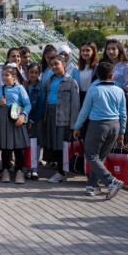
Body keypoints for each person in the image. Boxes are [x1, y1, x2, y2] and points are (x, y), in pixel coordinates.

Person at [73, 61, 127, 199]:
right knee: (100, 157)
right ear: (112, 75)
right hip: (114, 126)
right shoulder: (119, 90)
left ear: (97, 75)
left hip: (98, 125)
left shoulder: (94, 89)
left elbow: (85, 111)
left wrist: (77, 126)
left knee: (91, 155)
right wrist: (122, 131)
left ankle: (111, 181)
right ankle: (92, 185)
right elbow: (123, 113)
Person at [44, 55, 80, 184]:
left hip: (63, 118)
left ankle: (61, 172)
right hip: (50, 116)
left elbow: (75, 105)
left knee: (61, 146)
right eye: (51, 64)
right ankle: (60, 170)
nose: (54, 67)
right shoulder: (49, 80)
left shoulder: (71, 82)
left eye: (56, 64)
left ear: (64, 64)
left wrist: (75, 125)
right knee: (54, 145)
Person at [0, 66, 31, 184]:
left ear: (14, 77)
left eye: (7, 75)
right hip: (3, 120)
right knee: (5, 147)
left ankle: (19, 171)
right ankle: (5, 169)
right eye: (3, 75)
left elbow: (27, 104)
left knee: (17, 146)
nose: (4, 77)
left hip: (16, 119)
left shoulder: (20, 88)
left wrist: (23, 115)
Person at [25, 63, 45, 180]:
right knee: (27, 144)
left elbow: (41, 105)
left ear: (39, 74)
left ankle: (34, 168)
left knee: (36, 144)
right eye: (31, 72)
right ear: (27, 73)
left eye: (35, 73)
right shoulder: (24, 86)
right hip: (25, 119)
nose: (33, 75)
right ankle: (28, 167)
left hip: (36, 120)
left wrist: (32, 119)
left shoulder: (41, 87)